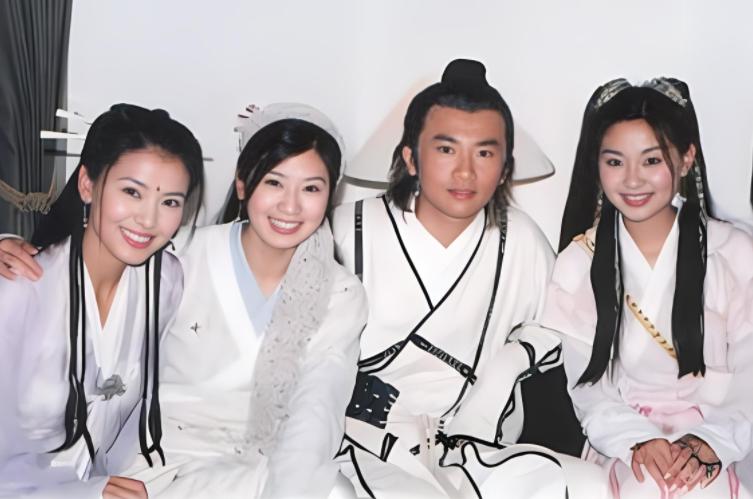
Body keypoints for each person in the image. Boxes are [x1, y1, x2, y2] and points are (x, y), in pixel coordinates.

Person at [331, 59, 606, 498]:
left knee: (590, 485)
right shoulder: (347, 231)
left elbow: (564, 331)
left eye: (484, 153)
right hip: (358, 447)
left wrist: (510, 363)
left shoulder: (521, 241)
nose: (465, 172)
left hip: (472, 446)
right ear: (411, 158)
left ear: (505, 167)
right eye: (446, 150)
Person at [543, 77, 753, 498]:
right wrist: (638, 440)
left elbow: (750, 369)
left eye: (651, 160)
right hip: (625, 441)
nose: (633, 180)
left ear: (686, 159)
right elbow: (586, 386)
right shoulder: (578, 262)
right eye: (615, 162)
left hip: (723, 435)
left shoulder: (734, 251)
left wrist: (708, 442)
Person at [0, 103, 205, 498]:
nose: (148, 220)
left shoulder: (165, 281)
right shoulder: (18, 292)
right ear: (87, 185)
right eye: (132, 192)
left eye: (170, 202)